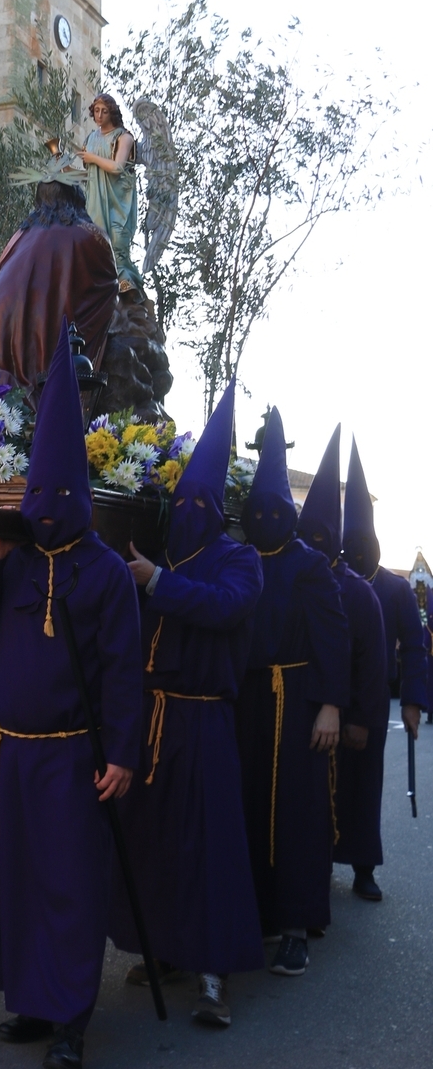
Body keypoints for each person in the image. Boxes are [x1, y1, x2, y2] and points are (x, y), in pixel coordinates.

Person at [0, 322, 143, 1069]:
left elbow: (122, 670)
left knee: (69, 886)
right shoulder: (13, 559)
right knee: (18, 882)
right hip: (10, 754)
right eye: (35, 494)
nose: (44, 507)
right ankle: (31, 1000)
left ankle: (70, 1016)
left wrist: (122, 754)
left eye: (57, 494)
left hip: (73, 758)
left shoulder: (104, 571)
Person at [112, 378, 264, 1030]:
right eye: (181, 500)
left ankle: (213, 973)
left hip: (204, 719)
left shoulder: (240, 560)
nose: (189, 508)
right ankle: (166, 949)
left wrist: (158, 583)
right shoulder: (156, 554)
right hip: (153, 719)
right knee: (153, 839)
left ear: (217, 507)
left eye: (200, 501)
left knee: (209, 844)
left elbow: (225, 609)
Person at [235, 407, 349, 976]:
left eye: (276, 510)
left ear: (291, 512)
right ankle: (259, 913)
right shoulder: (238, 560)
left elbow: (334, 635)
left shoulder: (309, 566)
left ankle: (297, 927)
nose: (266, 519)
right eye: (257, 511)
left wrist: (331, 704)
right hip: (248, 699)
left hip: (300, 699)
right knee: (251, 805)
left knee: (298, 813)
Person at [296, 427, 389, 903]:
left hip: (353, 712)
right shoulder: (291, 580)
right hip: (306, 708)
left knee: (358, 790)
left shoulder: (359, 593)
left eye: (321, 536)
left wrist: (360, 718)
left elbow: (373, 665)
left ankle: (364, 867)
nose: (313, 543)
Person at [338, 437, 423, 898]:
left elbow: (414, 646)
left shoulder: (395, 589)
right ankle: (319, 859)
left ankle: (364, 868)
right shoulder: (330, 581)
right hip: (330, 694)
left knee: (364, 785)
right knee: (323, 784)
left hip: (371, 701)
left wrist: (411, 701)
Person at [0, 175, 119, 391]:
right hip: (40, 338)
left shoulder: (18, 236)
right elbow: (109, 285)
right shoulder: (90, 235)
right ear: (76, 198)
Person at [80, 94, 143, 295]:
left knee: (118, 246)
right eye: (96, 111)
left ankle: (128, 286)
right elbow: (88, 175)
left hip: (119, 202)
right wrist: (62, 167)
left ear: (112, 113)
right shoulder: (90, 139)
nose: (99, 115)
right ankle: (100, 286)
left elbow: (117, 167)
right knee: (96, 244)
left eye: (104, 111)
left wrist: (92, 157)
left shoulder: (124, 137)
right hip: (95, 200)